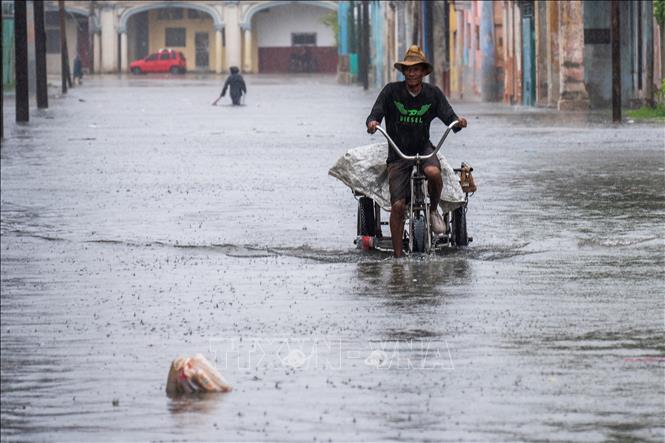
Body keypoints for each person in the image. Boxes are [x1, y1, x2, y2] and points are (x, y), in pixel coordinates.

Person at [366, 45, 468, 258]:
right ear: (403, 72)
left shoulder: (433, 94)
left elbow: (450, 117)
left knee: (433, 173)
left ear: (423, 72)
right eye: (408, 69)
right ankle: (397, 257)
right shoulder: (391, 91)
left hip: (423, 147)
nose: (412, 73)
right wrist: (373, 122)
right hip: (398, 152)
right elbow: (375, 113)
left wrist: (458, 123)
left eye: (416, 69)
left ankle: (432, 212)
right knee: (398, 206)